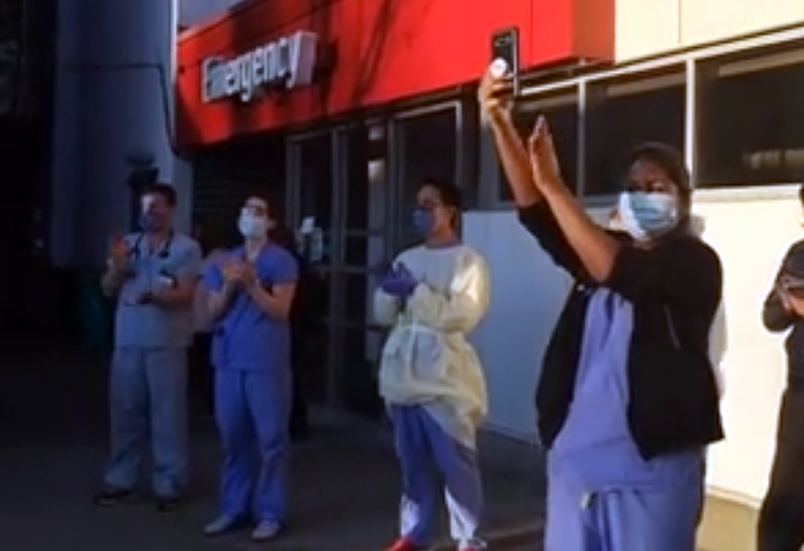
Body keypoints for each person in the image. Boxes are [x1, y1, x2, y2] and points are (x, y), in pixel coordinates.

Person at [479, 68, 724, 550]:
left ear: (682, 196)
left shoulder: (693, 263)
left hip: (649, 477)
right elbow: (538, 213)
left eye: (657, 185)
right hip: (576, 469)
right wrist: (498, 120)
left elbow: (624, 273)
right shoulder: (600, 252)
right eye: (635, 186)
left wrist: (556, 186)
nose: (644, 194)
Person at [374, 179, 491, 551]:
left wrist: (417, 292)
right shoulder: (407, 258)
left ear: (450, 211)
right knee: (412, 464)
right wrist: (388, 292)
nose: (420, 212)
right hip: (403, 375)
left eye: (430, 204)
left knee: (456, 462)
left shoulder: (468, 261)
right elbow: (385, 315)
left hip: (444, 378)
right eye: (418, 204)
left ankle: (468, 537)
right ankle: (414, 534)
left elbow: (460, 317)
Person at [95, 183, 202, 511]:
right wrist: (118, 267)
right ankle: (120, 480)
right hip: (128, 343)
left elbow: (186, 293)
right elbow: (107, 289)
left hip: (166, 345)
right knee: (125, 414)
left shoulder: (186, 249)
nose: (149, 213)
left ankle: (170, 483)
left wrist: (156, 297)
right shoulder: (126, 245)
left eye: (155, 206)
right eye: (145, 207)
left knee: (167, 416)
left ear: (171, 209)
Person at [202, 193, 298, 541]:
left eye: (259, 211)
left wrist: (252, 285)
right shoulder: (224, 261)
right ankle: (234, 508)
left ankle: (271, 512)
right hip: (228, 361)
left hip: (265, 362)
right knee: (233, 438)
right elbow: (212, 312)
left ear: (269, 222)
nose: (251, 216)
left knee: (271, 439)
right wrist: (230, 284)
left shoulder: (282, 261)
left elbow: (280, 311)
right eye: (246, 210)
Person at [757, 183, 804, 551]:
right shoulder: (799, 255)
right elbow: (771, 316)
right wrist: (789, 304)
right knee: (786, 501)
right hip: (801, 397)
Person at [270, 223, 311, 439]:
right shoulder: (299, 263)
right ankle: (295, 419)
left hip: (290, 323)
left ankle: (293, 419)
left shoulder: (288, 264)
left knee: (289, 372)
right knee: (294, 370)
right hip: (296, 323)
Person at [190, 215, 231, 420]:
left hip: (210, 322)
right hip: (195, 321)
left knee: (208, 367)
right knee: (198, 367)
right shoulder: (199, 256)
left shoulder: (221, 258)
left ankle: (212, 407)